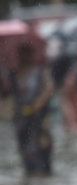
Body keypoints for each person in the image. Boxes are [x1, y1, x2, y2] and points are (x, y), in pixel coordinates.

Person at [1, 43, 55, 177]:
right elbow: (5, 94)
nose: (25, 57)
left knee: (43, 155)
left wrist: (38, 104)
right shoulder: (12, 74)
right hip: (22, 123)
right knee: (28, 158)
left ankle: (44, 183)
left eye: (27, 53)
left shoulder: (41, 72)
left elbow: (50, 89)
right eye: (22, 54)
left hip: (39, 122)